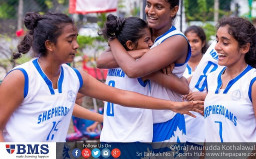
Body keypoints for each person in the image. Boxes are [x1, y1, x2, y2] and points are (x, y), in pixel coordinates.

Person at [0, 12, 201, 142]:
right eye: (70, 40)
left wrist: (173, 106)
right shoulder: (22, 78)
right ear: (50, 45)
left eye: (76, 39)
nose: (77, 45)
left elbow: (122, 96)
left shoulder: (73, 76)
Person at [98, 0, 191, 142]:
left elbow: (133, 70)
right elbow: (103, 61)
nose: (150, 11)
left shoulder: (176, 40)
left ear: (174, 10)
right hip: (137, 124)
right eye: (148, 5)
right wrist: (142, 52)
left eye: (158, 6)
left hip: (166, 120)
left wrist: (114, 41)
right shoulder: (140, 32)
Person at [204, 17, 256, 142]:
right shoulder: (212, 78)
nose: (217, 47)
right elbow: (209, 131)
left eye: (225, 43)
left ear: (245, 48)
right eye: (217, 40)